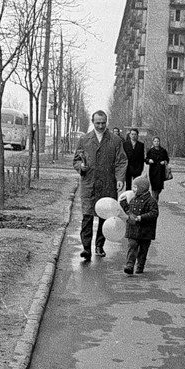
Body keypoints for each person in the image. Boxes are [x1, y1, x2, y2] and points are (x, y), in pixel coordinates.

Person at [73, 110, 127, 261]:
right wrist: (80, 167)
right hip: (89, 184)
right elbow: (76, 159)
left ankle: (99, 246)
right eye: (98, 123)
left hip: (107, 184)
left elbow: (121, 161)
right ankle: (85, 248)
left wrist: (120, 178)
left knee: (105, 216)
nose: (101, 126)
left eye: (103, 123)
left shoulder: (115, 140)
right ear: (93, 122)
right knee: (87, 216)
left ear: (106, 122)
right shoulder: (84, 139)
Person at [119, 175, 158, 275]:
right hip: (133, 228)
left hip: (145, 230)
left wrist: (142, 217)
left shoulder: (151, 201)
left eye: (135, 187)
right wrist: (123, 204)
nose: (133, 189)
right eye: (133, 187)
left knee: (143, 250)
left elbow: (154, 213)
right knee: (132, 246)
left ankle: (140, 266)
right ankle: (129, 265)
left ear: (142, 188)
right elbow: (130, 213)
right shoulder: (133, 199)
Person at [145, 135, 170, 201]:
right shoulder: (150, 151)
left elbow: (167, 159)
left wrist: (164, 162)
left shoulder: (163, 151)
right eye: (155, 141)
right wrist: (149, 160)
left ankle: (155, 199)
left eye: (158, 141)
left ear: (159, 142)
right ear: (153, 142)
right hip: (153, 171)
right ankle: (154, 201)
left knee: (159, 188)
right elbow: (146, 160)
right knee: (154, 187)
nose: (156, 142)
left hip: (161, 172)